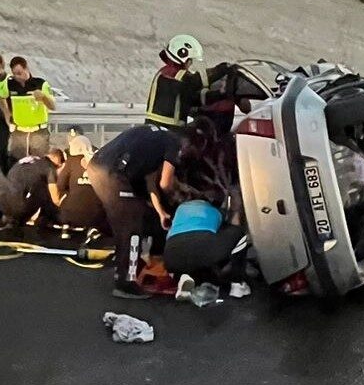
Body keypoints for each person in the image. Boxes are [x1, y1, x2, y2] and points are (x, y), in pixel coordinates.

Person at [88, 124, 184, 299]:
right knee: (133, 225)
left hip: (96, 167)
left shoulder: (152, 139)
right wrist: (179, 196)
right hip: (114, 173)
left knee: (124, 220)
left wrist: (161, 212)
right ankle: (126, 282)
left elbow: (150, 183)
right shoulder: (174, 143)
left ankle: (123, 268)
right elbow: (164, 183)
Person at [164, 123, 251, 298]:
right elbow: (232, 223)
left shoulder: (180, 211)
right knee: (238, 235)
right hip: (203, 250)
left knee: (197, 251)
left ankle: (184, 277)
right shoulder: (214, 212)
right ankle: (237, 284)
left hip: (170, 256)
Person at [145, 34, 231, 129]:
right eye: (190, 60)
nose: (190, 63)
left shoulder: (164, 73)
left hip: (159, 127)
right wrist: (224, 68)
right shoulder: (174, 74)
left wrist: (220, 93)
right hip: (167, 129)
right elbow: (197, 80)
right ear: (182, 56)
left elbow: (194, 98)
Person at [0, 148, 66, 230]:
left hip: (2, 202)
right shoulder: (49, 167)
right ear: (56, 159)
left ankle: (11, 219)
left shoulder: (30, 160)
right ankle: (45, 220)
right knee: (45, 188)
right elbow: (55, 198)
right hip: (19, 207)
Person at [52, 134, 108, 234]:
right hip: (96, 215)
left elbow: (60, 184)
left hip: (70, 214)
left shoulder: (71, 161)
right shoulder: (100, 162)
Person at [5, 56, 56, 160]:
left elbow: (53, 106)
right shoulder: (10, 85)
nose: (17, 77)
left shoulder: (40, 84)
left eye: (19, 73)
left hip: (38, 133)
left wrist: (43, 97)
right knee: (16, 163)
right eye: (14, 74)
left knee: (39, 164)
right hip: (18, 132)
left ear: (26, 68)